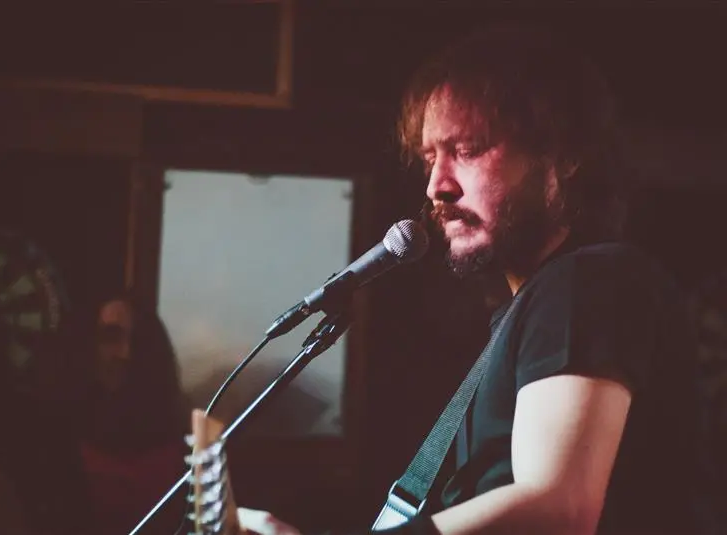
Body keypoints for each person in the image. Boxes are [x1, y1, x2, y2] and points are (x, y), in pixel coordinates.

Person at [239, 24, 716, 535]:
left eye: (467, 150)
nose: (436, 186)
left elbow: (558, 509)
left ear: (561, 160)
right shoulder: (533, 306)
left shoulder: (584, 283)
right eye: (430, 158)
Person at [71, 292, 189, 535]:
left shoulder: (184, 445)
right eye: (111, 337)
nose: (125, 353)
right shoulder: (63, 440)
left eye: (137, 341)